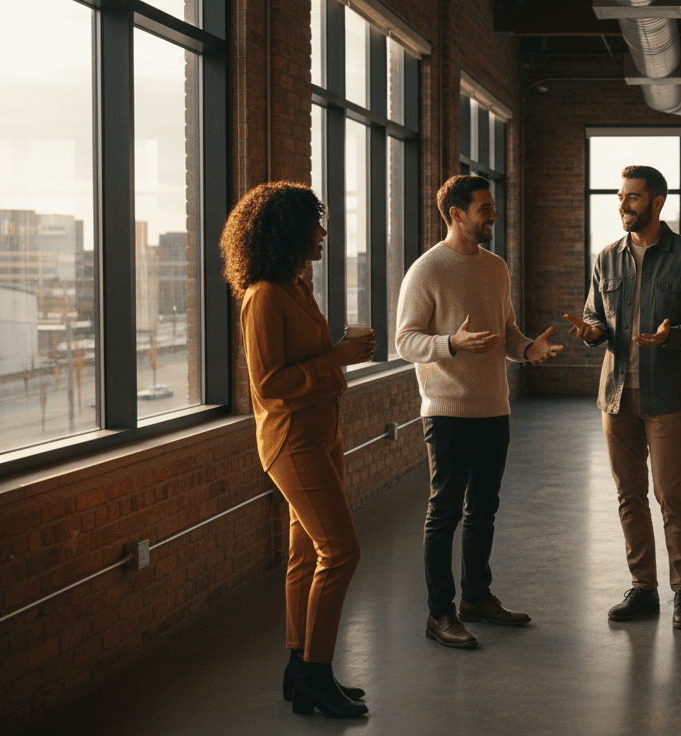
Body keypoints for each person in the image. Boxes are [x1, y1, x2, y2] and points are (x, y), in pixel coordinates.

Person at [221, 181, 374, 719]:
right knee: (342, 551)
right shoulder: (263, 296)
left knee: (305, 554)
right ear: (289, 231)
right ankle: (316, 674)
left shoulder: (297, 287)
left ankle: (297, 667)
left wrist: (342, 355)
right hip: (293, 441)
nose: (324, 234)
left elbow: (314, 362)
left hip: (322, 432)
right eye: (316, 224)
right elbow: (269, 385)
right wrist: (338, 357)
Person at [396, 175, 564, 650]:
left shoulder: (496, 268)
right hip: (447, 411)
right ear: (456, 214)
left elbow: (505, 332)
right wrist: (451, 343)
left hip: (494, 407)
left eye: (492, 208)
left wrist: (528, 350)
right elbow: (405, 340)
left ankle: (476, 597)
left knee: (483, 509)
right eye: (484, 208)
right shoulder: (426, 270)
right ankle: (439, 613)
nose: (493, 215)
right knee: (444, 511)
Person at [564, 165, 681, 630]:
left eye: (632, 197)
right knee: (629, 495)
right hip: (616, 397)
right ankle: (643, 588)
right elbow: (596, 316)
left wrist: (673, 336)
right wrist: (591, 333)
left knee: (671, 494)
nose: (622, 205)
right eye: (620, 196)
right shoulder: (607, 257)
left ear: (657, 202)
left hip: (667, 395)